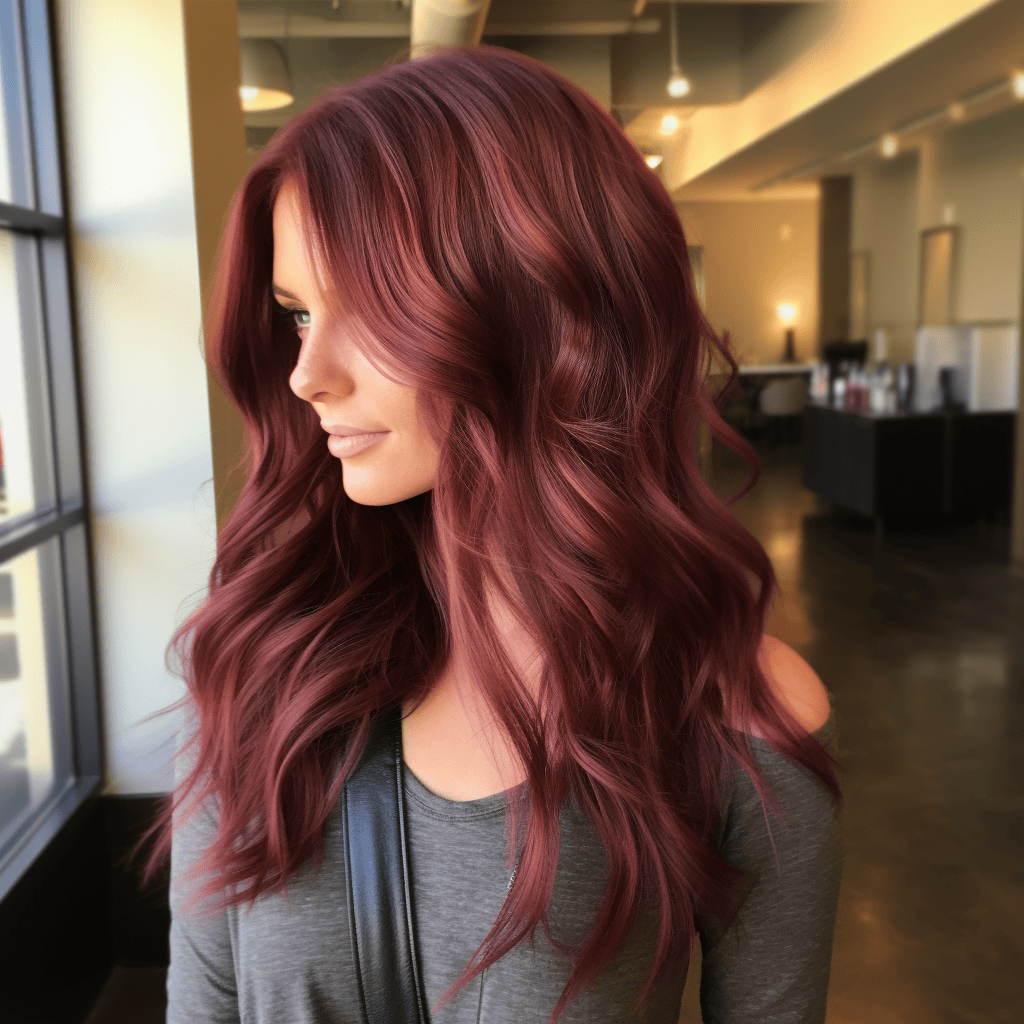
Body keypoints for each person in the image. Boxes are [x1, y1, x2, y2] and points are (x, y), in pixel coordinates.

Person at [140, 44, 843, 1024]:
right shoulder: (259, 663)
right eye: (298, 315)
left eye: (370, 308)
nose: (307, 375)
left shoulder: (733, 716)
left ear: (541, 309)